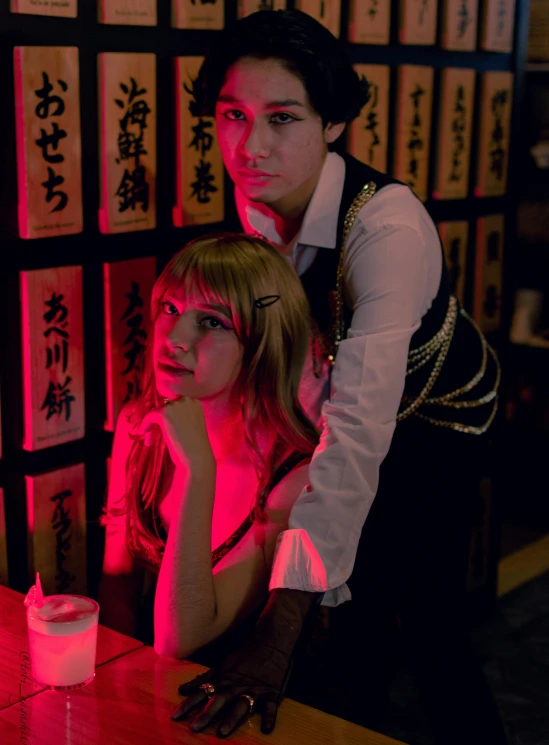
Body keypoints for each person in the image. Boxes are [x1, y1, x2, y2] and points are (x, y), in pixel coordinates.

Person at [171, 9, 509, 745]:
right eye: (232, 115)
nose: (249, 146)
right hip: (334, 413)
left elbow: (358, 434)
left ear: (331, 124)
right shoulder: (254, 200)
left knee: (427, 625)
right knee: (346, 634)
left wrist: (277, 627)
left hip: (439, 418)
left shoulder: (384, 230)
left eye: (281, 117)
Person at [99, 234, 318, 691]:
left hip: (237, 703)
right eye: (171, 310)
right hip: (146, 688)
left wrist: (199, 471)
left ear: (262, 344)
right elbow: (117, 587)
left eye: (212, 322)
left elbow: (185, 639)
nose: (175, 338)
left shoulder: (294, 477)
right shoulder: (138, 424)